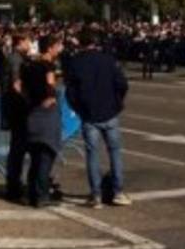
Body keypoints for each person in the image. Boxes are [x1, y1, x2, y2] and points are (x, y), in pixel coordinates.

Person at [65, 28, 132, 208]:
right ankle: (118, 191)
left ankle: (96, 195)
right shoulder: (107, 60)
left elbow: (70, 92)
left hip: (89, 114)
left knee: (92, 155)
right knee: (115, 152)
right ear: (95, 43)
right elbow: (122, 84)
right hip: (110, 112)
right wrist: (117, 103)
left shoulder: (75, 63)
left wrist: (79, 109)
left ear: (80, 43)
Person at [22, 35, 63, 207]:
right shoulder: (48, 66)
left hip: (31, 115)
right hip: (45, 115)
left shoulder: (30, 66)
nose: (60, 49)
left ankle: (31, 194)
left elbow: (22, 88)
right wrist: (51, 97)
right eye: (58, 45)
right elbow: (50, 86)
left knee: (36, 157)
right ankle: (41, 195)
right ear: (50, 48)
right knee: (46, 156)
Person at [1, 31, 32, 202]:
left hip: (16, 109)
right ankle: (14, 187)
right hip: (17, 110)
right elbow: (16, 84)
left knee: (18, 149)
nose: (30, 45)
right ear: (21, 42)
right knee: (18, 150)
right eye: (28, 41)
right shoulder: (15, 59)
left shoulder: (20, 58)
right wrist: (29, 101)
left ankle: (15, 184)